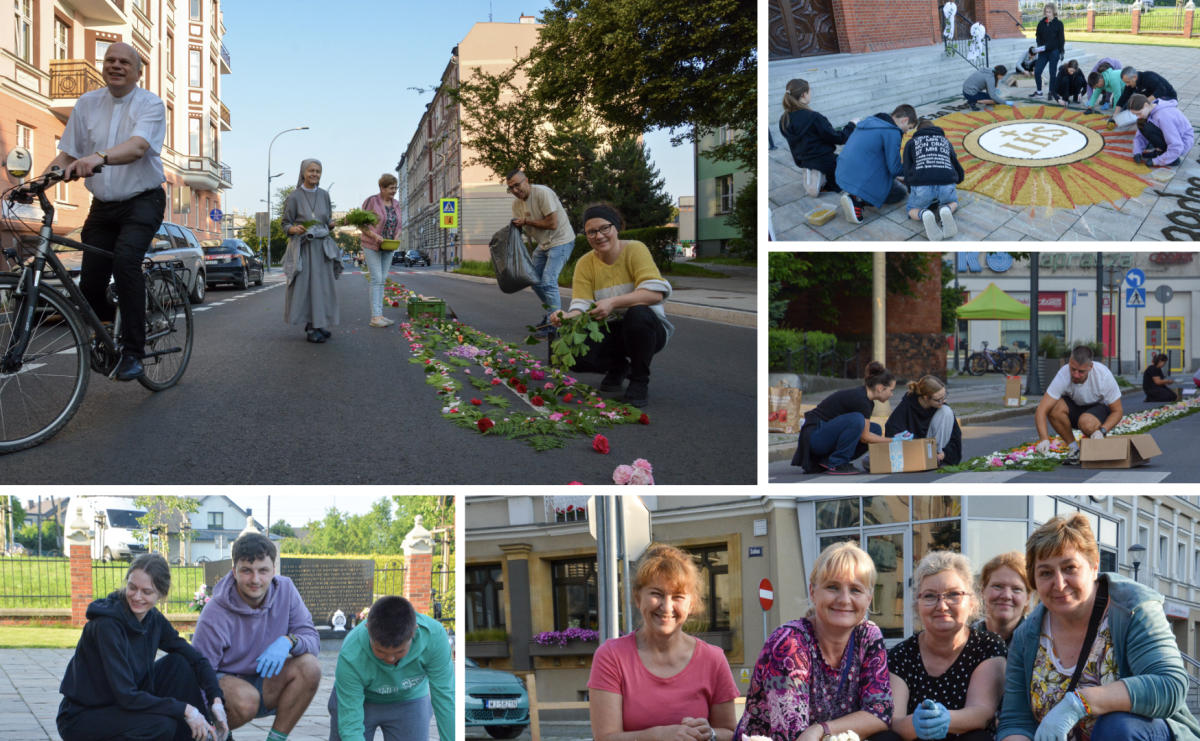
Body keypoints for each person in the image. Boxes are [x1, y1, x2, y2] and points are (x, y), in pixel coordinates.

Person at [996, 513, 1200, 741]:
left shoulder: (1133, 608)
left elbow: (1170, 685)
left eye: (1070, 568)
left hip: (1139, 734)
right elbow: (1015, 720)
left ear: (1094, 567)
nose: (1059, 584)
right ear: (1034, 580)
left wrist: (1081, 703)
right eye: (1045, 573)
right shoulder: (1026, 634)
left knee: (1117, 726)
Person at [41, 42, 166, 381]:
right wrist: (37, 183)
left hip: (143, 200)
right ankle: (110, 330)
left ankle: (133, 352)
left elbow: (138, 147)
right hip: (103, 206)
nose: (116, 65)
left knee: (126, 262)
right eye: (109, 59)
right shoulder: (86, 103)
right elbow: (67, 155)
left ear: (137, 72)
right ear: (103, 66)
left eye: (124, 61)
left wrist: (99, 157)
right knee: (91, 284)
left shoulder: (150, 104)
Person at [735, 541, 893, 741]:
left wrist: (822, 729)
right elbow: (791, 734)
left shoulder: (868, 636)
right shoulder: (789, 642)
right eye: (833, 587)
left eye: (855, 590)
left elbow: (881, 712)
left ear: (869, 598)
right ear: (813, 592)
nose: (844, 599)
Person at [58, 553, 225, 741]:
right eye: (132, 587)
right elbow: (126, 695)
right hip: (83, 716)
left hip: (121, 707)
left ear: (161, 594)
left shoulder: (153, 619)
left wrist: (216, 700)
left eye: (146, 592)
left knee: (179, 663)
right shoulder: (107, 626)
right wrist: (186, 709)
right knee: (162, 725)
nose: (137, 597)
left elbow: (196, 660)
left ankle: (208, 736)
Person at [590, 543, 740, 741]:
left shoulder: (713, 659)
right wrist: (658, 736)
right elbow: (604, 738)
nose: (667, 607)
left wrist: (709, 734)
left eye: (678, 596)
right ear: (637, 597)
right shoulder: (611, 656)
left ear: (692, 603)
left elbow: (730, 734)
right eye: (656, 594)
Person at [191, 533, 322, 741]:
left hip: (265, 681)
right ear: (234, 572)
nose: (255, 579)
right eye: (246, 571)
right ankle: (212, 735)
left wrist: (288, 641)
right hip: (225, 688)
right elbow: (198, 673)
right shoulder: (214, 613)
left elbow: (313, 642)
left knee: (310, 666)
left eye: (263, 570)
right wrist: (201, 718)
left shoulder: (286, 589)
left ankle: (275, 739)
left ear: (273, 571)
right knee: (247, 699)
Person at [549, 203, 672, 408]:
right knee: (571, 349)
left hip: (647, 331)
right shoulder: (585, 263)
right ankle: (619, 366)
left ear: (616, 227)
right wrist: (567, 316)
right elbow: (581, 304)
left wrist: (613, 302)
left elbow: (655, 293)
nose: (599, 236)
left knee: (638, 313)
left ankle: (639, 381)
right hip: (611, 330)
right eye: (591, 232)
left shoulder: (635, 249)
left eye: (605, 228)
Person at [886, 551, 1007, 741]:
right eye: (930, 596)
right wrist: (918, 724)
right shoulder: (901, 654)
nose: (942, 606)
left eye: (953, 594)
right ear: (918, 605)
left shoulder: (988, 647)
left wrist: (944, 719)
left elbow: (982, 713)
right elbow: (895, 722)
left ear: (972, 603)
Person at [329, 596, 454, 741]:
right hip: (357, 701)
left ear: (413, 632)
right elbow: (350, 727)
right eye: (380, 651)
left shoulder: (435, 637)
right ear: (368, 629)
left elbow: (446, 700)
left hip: (409, 699)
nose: (390, 658)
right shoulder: (351, 652)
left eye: (399, 652)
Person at [791, 361, 898, 476]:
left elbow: (865, 434)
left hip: (824, 436)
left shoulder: (867, 401)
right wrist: (893, 440)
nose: (891, 394)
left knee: (875, 429)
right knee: (857, 419)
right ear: (881, 388)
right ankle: (838, 462)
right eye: (891, 390)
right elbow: (865, 437)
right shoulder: (861, 399)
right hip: (814, 437)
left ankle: (828, 460)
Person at [506, 169, 577, 339]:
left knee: (548, 280)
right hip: (544, 244)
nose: (515, 190)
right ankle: (554, 313)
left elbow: (552, 224)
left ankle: (555, 326)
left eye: (517, 185)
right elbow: (519, 227)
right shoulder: (516, 205)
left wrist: (526, 221)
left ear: (526, 181)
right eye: (511, 188)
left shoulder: (542, 193)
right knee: (533, 279)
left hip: (561, 240)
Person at [281, 159, 341, 344]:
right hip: (304, 248)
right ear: (303, 173)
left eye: (318, 171)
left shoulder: (324, 195)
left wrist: (336, 223)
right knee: (308, 288)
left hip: (322, 249)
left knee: (322, 288)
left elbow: (327, 221)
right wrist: (294, 230)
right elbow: (285, 224)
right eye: (311, 171)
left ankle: (318, 323)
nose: (315, 174)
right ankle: (311, 328)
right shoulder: (294, 197)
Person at [1033, 345, 1123, 466]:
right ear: (1069, 361)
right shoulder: (1063, 375)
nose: (1075, 375)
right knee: (1053, 407)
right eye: (1073, 369)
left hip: (1098, 409)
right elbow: (1041, 410)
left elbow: (1117, 411)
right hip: (1075, 407)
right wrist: (1044, 439)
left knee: (1086, 422)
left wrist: (1101, 431)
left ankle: (1097, 439)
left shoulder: (1103, 376)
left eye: (1081, 371)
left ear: (1090, 367)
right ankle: (1074, 449)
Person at [836, 105, 917, 224]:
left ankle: (855, 193)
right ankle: (858, 200)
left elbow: (875, 155)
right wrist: (916, 169)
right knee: (900, 192)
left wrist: (895, 176)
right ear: (904, 120)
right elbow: (894, 169)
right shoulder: (892, 131)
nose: (906, 132)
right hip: (860, 177)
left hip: (842, 173)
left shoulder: (871, 121)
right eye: (908, 127)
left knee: (892, 178)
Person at [779, 78, 860, 195]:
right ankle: (823, 180)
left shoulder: (784, 119)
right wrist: (852, 124)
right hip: (824, 161)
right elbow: (840, 138)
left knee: (836, 162)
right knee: (853, 167)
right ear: (804, 94)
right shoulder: (814, 117)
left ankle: (815, 174)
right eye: (810, 91)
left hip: (803, 161)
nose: (810, 94)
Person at [902, 122, 965, 242]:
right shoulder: (945, 141)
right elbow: (955, 162)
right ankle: (945, 209)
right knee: (954, 202)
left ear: (918, 131)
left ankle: (923, 214)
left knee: (911, 210)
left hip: (922, 185)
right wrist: (959, 179)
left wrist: (910, 189)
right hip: (946, 183)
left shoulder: (911, 143)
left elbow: (907, 168)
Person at [884, 375, 963, 466]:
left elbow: (955, 437)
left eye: (944, 396)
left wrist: (945, 453)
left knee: (946, 411)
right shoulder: (907, 405)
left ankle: (935, 457)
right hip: (913, 448)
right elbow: (891, 429)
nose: (944, 401)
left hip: (932, 449)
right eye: (939, 399)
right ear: (926, 398)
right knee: (868, 461)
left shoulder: (941, 408)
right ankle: (921, 459)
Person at [358, 173, 403, 328]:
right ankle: (375, 317)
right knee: (376, 279)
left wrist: (397, 234)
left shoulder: (396, 203)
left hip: (389, 246)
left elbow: (399, 224)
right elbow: (361, 223)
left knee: (382, 280)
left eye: (395, 188)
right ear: (382, 188)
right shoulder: (372, 201)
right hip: (372, 245)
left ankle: (380, 314)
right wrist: (374, 235)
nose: (394, 191)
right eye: (391, 188)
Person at [974, 552, 1032, 647]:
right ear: (982, 591)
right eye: (997, 586)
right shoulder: (964, 640)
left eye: (1016, 589)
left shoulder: (1041, 641)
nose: (1006, 596)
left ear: (1028, 598)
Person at [1129, 94, 1194, 168]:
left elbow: (1177, 145)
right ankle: (1160, 151)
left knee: (1148, 128)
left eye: (1139, 113)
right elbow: (1140, 135)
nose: (1138, 116)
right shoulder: (1150, 110)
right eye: (1135, 115)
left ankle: (1173, 159)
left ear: (1146, 105)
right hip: (1176, 141)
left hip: (1182, 144)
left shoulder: (1163, 115)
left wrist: (1157, 161)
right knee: (1141, 123)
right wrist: (1137, 152)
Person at [1031, 4, 1065, 101]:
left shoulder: (1059, 24)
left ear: (1054, 12)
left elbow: (1061, 39)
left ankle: (1051, 92)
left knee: (1052, 73)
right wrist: (1040, 46)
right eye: (1046, 12)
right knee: (1037, 71)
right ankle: (1039, 92)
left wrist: (1061, 51)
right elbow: (1038, 36)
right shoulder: (1041, 23)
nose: (1048, 14)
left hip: (1054, 51)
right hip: (1043, 51)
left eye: (1049, 12)